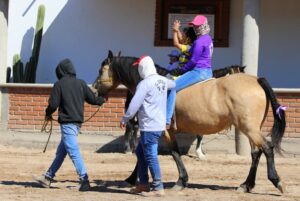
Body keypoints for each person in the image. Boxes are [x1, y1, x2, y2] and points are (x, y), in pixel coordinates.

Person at [34, 58, 106, 191]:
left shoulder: (59, 84)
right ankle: (48, 178)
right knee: (61, 152)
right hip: (77, 124)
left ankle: (84, 180)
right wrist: (102, 100)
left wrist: (48, 113)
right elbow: (93, 99)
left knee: (73, 152)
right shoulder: (81, 83)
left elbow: (53, 105)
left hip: (67, 124)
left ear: (60, 71)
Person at [120, 55, 175, 196]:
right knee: (140, 152)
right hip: (158, 125)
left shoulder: (144, 84)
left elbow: (134, 104)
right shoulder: (163, 81)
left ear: (143, 67)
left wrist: (126, 119)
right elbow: (174, 85)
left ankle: (158, 187)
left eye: (139, 66)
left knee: (150, 155)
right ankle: (143, 184)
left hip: (149, 126)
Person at [166, 14, 213, 127]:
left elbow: (192, 62)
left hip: (199, 71)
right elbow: (187, 48)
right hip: (208, 71)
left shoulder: (199, 41)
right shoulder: (208, 38)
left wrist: (181, 70)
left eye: (197, 26)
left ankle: (166, 119)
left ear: (203, 26)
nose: (195, 28)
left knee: (172, 86)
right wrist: (177, 32)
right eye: (194, 26)